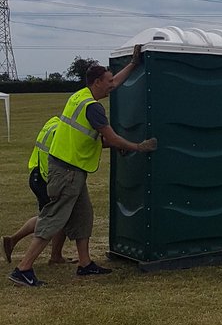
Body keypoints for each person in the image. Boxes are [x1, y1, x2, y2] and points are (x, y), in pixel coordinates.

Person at [9, 46, 158, 288]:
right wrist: (137, 147)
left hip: (72, 170)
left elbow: (114, 87)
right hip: (66, 172)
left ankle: (85, 264)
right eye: (108, 81)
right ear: (98, 81)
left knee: (83, 216)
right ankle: (23, 269)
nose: (112, 85)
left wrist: (132, 64)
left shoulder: (79, 96)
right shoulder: (93, 108)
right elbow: (110, 137)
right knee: (53, 219)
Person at [2, 115, 69, 266]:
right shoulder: (62, 131)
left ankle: (14, 241)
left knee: (49, 216)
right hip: (45, 178)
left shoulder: (52, 122)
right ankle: (52, 256)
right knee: (56, 217)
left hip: (36, 175)